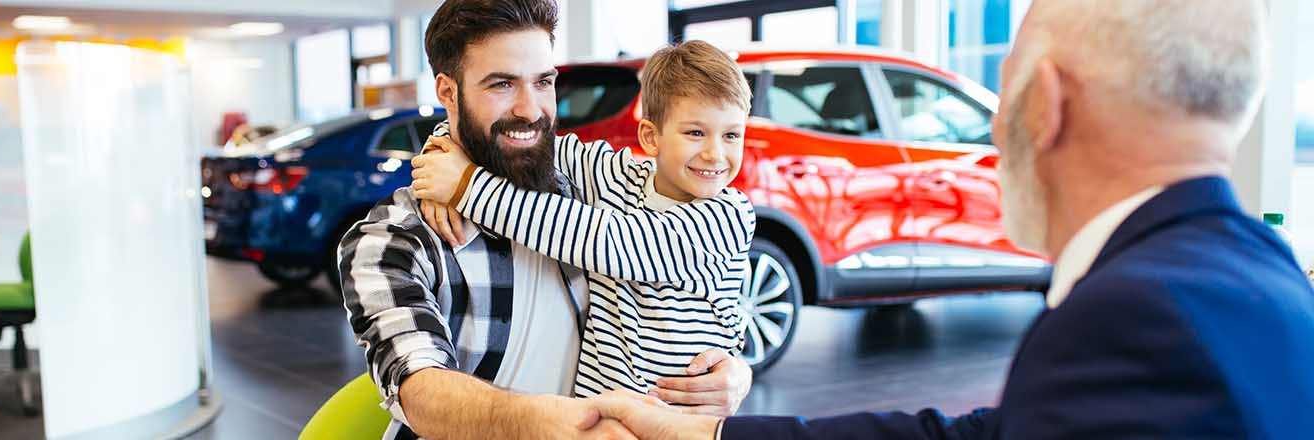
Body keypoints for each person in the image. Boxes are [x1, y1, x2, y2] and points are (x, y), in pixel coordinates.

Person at [585, 0, 1314, 438]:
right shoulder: (1268, 273)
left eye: (1006, 93)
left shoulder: (1129, 319)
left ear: (1046, 103)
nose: (994, 134)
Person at [336, 1, 751, 439]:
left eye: (543, 82)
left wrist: (734, 370)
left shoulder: (583, 194)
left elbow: (639, 259)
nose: (529, 109)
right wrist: (545, 425)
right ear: (447, 92)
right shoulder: (395, 238)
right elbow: (420, 390)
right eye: (501, 84)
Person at [410, 40, 757, 399]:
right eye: (696, 133)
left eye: (732, 135)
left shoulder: (727, 217)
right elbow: (517, 143)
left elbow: (607, 242)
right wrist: (444, 149)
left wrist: (466, 187)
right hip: (594, 418)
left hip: (677, 423)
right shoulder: (619, 176)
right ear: (651, 137)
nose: (715, 153)